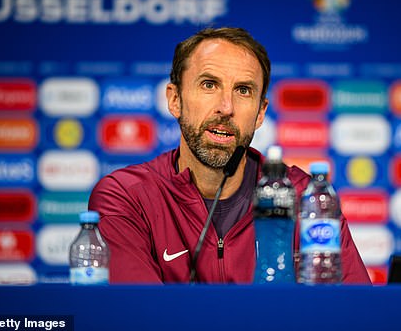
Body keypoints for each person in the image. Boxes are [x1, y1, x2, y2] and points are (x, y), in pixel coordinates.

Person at [89, 27, 371, 284]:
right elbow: (136, 317)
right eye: (209, 85)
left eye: (243, 90)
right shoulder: (126, 197)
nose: (226, 108)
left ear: (260, 112)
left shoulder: (304, 197)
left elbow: (354, 315)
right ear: (175, 100)